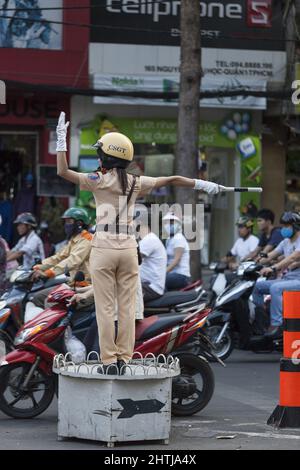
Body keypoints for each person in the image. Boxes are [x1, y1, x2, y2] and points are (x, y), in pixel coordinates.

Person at [55, 111, 221, 374]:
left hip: (104, 247)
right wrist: (206, 185)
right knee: (128, 306)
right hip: (129, 249)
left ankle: (109, 362)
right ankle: (125, 358)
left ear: (106, 157)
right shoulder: (135, 183)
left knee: (106, 309)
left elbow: (63, 171)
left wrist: (61, 140)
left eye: (100, 153)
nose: (98, 157)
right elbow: (174, 179)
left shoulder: (97, 181)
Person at [30, 207, 92, 310]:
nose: (66, 225)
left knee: (50, 302)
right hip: (72, 285)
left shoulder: (87, 240)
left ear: (79, 223)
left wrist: (48, 273)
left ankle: (63, 326)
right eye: (65, 221)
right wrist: (39, 266)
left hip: (85, 287)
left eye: (69, 221)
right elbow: (59, 257)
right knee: (38, 298)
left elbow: (72, 261)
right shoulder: (74, 240)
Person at [252, 211, 300, 338]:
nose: (284, 229)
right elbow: (270, 255)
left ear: (295, 226)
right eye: (283, 226)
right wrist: (256, 261)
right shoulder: (285, 242)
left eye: (287, 226)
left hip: (298, 280)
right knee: (257, 287)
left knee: (275, 288)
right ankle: (262, 321)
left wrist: (274, 268)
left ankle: (276, 325)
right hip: (287, 278)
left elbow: (291, 258)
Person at [134, 205, 167, 302]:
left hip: (151, 288)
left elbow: (132, 261)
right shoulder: (146, 239)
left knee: (118, 298)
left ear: (138, 223)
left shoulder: (149, 240)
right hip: (147, 285)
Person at [163, 212, 191, 290]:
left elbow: (176, 260)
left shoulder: (179, 238)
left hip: (180, 275)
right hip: (172, 274)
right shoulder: (169, 239)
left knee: (158, 281)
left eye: (172, 222)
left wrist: (163, 272)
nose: (169, 224)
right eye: (167, 222)